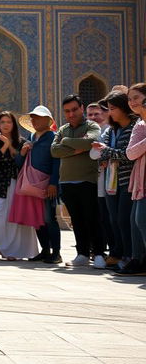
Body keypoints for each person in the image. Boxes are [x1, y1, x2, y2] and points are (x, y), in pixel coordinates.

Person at [51, 94, 104, 268]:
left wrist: (67, 142)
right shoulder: (63, 129)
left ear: (82, 108)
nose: (71, 114)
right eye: (67, 111)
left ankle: (98, 253)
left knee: (92, 217)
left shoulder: (91, 125)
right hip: (67, 181)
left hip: (87, 179)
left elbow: (92, 141)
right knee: (77, 219)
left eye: (74, 109)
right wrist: (77, 148)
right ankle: (81, 253)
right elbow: (54, 151)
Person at [92, 91, 137, 270]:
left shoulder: (134, 128)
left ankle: (129, 255)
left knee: (125, 219)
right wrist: (103, 152)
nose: (110, 113)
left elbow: (129, 155)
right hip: (111, 181)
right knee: (115, 220)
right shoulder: (111, 130)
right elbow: (100, 152)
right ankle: (118, 254)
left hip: (128, 181)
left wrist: (106, 151)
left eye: (113, 108)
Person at [0, 111, 37, 260]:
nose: (5, 125)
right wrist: (5, 145)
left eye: (8, 122)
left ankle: (11, 251)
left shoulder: (20, 141)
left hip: (15, 181)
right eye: (2, 122)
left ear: (13, 124)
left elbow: (18, 161)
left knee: (11, 217)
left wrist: (10, 146)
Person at [18, 106, 62, 264]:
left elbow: (57, 161)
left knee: (49, 218)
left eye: (38, 117)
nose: (34, 120)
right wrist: (22, 153)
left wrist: (53, 183)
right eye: (33, 117)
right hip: (32, 184)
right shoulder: (32, 137)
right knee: (37, 218)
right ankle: (45, 250)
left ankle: (56, 253)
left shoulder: (53, 137)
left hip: (46, 184)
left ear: (48, 120)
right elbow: (19, 163)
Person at [118, 83, 146, 276]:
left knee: (141, 220)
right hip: (141, 179)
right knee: (135, 220)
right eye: (129, 98)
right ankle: (139, 260)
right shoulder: (139, 124)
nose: (132, 102)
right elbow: (130, 153)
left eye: (136, 97)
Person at [87, 101, 114, 259]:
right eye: (90, 115)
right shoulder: (91, 133)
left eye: (97, 114)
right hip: (94, 181)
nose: (94, 117)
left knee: (109, 218)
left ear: (105, 114)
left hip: (110, 181)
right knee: (97, 218)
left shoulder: (108, 131)